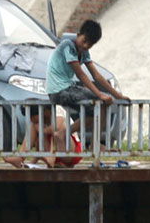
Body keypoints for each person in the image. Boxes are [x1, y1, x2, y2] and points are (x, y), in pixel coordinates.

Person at [45, 19, 130, 148]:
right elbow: (81, 74)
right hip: (58, 90)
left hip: (68, 87)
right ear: (78, 35)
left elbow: (96, 75)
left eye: (89, 45)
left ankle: (94, 144)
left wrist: (117, 95)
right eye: (84, 41)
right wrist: (99, 95)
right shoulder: (67, 46)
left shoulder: (83, 52)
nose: (85, 46)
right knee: (97, 103)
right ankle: (67, 135)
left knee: (101, 105)